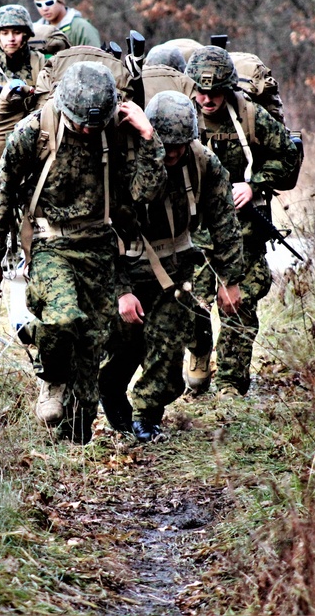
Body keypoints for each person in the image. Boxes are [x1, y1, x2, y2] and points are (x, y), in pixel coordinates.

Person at [0, 61, 166, 443]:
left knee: (90, 351)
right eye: (81, 122)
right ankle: (50, 379)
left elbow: (144, 194)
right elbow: (2, 191)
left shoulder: (114, 132)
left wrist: (149, 137)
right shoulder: (36, 130)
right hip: (51, 244)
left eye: (93, 124)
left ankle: (74, 443)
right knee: (63, 319)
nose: (86, 130)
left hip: (100, 248)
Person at [98, 91, 245, 441]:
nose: (174, 152)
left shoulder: (204, 163)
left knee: (165, 353)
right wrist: (122, 291)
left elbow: (225, 222)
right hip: (127, 267)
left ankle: (146, 416)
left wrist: (230, 279)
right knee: (122, 346)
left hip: (176, 271)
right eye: (168, 144)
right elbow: (103, 231)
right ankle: (110, 393)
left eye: (181, 144)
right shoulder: (125, 162)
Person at [185, 45, 299, 398]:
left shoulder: (250, 115)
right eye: (201, 92)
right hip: (193, 229)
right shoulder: (180, 114)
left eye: (215, 92)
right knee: (188, 303)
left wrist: (254, 184)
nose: (207, 100)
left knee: (237, 302)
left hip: (242, 228)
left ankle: (231, 384)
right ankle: (200, 352)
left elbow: (288, 159)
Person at [32, 0, 101, 49]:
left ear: (60, 1)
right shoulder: (35, 31)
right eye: (39, 4)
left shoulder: (82, 29)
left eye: (49, 3)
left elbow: (95, 57)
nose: (44, 8)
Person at [0, 4, 45, 87]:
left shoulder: (40, 61)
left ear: (26, 35)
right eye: (5, 33)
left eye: (17, 33)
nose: (11, 38)